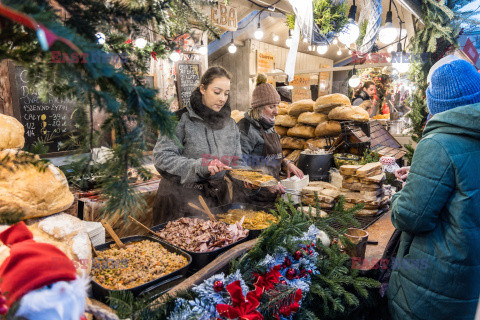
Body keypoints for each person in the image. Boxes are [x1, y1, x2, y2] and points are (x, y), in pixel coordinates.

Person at [387, 57, 480, 320]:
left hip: (433, 277)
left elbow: (411, 216)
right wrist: (420, 178)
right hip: (467, 270)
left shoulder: (438, 142)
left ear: (435, 104)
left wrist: (400, 195)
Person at [152, 66, 242, 225]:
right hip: (180, 202)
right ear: (203, 89)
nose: (222, 98)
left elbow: (236, 162)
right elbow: (162, 157)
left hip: (217, 200)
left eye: (226, 93)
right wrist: (199, 166)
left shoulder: (231, 125)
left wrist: (248, 179)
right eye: (217, 92)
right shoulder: (180, 120)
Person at [236, 73, 303, 205]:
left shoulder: (268, 125)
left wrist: (287, 163)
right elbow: (239, 165)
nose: (276, 111)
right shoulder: (245, 129)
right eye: (271, 106)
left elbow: (273, 156)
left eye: (277, 105)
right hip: (250, 200)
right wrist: (265, 182)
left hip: (271, 197)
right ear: (259, 108)